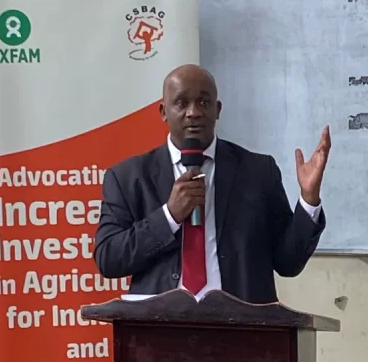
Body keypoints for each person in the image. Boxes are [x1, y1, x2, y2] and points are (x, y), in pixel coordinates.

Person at [94, 64, 331, 304]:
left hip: (239, 320)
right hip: (160, 321)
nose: (193, 112)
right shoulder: (128, 177)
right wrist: (169, 217)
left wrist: (308, 199)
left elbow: (288, 262)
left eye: (203, 102)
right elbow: (109, 258)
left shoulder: (259, 171)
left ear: (217, 110)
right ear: (163, 111)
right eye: (182, 103)